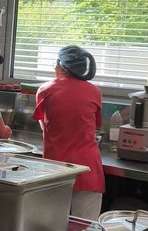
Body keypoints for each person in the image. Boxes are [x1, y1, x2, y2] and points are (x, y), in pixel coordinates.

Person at [33, 45, 104, 220]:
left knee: (50, 226)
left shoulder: (46, 90)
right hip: (87, 169)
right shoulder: (94, 91)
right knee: (86, 227)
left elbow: (44, 126)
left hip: (55, 170)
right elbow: (94, 127)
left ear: (60, 66)